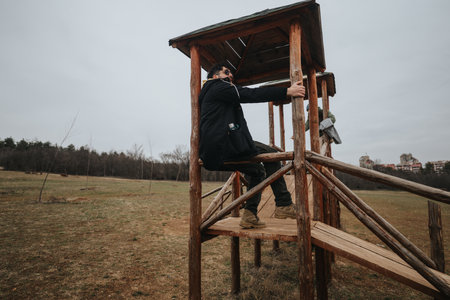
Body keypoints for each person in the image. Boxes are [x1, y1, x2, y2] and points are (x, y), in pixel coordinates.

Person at [198, 63, 306, 228]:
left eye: (231, 75)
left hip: (215, 150)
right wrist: (287, 91)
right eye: (226, 72)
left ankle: (249, 214)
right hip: (222, 145)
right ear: (215, 76)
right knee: (271, 153)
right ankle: (283, 204)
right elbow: (251, 94)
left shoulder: (213, 93)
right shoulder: (218, 86)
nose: (230, 76)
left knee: (258, 172)